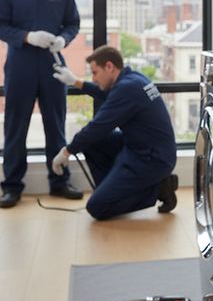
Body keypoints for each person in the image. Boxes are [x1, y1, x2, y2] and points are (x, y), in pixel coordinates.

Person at [0, 0, 82, 208]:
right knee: (15, 128)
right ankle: (12, 187)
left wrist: (64, 39)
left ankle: (59, 182)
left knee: (56, 126)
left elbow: (73, 23)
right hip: (20, 67)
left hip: (53, 67)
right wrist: (28, 36)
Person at [50, 45, 178, 220]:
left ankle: (160, 189)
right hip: (141, 145)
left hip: (153, 159)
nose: (93, 79)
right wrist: (76, 82)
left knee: (97, 207)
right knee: (93, 144)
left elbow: (97, 127)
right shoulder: (133, 79)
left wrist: (66, 151)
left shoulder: (126, 88)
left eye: (95, 73)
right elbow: (109, 96)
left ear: (109, 67)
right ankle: (113, 190)